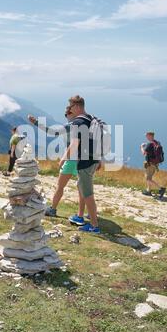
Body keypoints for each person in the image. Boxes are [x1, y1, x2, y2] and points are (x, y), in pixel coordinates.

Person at [28, 109, 85, 217]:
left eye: (67, 114)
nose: (66, 116)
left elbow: (51, 132)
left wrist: (35, 122)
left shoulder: (70, 125)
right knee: (82, 188)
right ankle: (83, 214)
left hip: (71, 159)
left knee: (60, 186)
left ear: (72, 114)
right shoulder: (84, 124)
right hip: (82, 160)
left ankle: (53, 209)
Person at [62, 95, 101, 234]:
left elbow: (74, 144)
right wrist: (99, 159)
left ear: (77, 106)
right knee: (82, 187)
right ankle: (81, 217)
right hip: (93, 159)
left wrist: (63, 158)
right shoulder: (90, 118)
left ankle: (94, 226)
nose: (70, 109)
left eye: (71, 107)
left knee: (88, 194)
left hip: (85, 162)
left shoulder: (78, 122)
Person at [141, 131, 166, 198]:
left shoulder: (149, 144)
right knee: (149, 177)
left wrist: (141, 147)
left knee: (148, 179)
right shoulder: (157, 143)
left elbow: (143, 153)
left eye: (146, 135)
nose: (146, 137)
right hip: (155, 164)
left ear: (150, 136)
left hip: (150, 164)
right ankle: (148, 191)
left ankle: (161, 188)